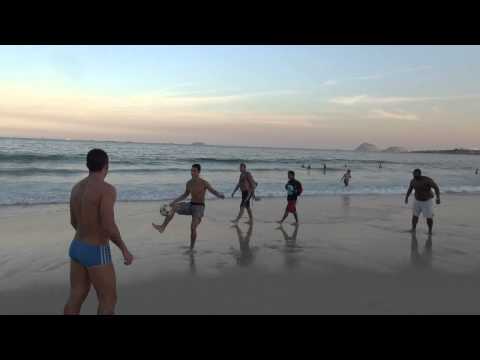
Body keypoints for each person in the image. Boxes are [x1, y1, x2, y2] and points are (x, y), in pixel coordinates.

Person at [64, 149, 134, 315]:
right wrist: (124, 249)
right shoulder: (106, 189)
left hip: (76, 247)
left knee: (76, 295)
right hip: (96, 251)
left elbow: (73, 221)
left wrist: (87, 234)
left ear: (87, 165)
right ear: (106, 165)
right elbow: (109, 225)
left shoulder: (76, 188)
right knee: (108, 299)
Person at [152, 164, 225, 250]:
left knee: (193, 227)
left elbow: (214, 191)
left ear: (198, 172)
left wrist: (220, 195)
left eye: (194, 171)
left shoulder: (204, 183)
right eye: (191, 170)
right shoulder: (189, 183)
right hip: (190, 205)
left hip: (199, 208)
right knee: (174, 207)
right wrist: (173, 202)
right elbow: (185, 195)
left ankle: (191, 248)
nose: (192, 172)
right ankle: (162, 227)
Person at [405, 168, 441, 235]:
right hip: (417, 200)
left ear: (420, 174)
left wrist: (438, 198)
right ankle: (413, 229)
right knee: (415, 216)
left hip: (427, 201)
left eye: (416, 175)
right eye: (413, 174)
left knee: (429, 217)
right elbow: (410, 189)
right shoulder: (413, 181)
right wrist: (406, 197)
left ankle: (430, 231)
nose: (414, 176)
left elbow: (436, 187)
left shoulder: (427, 180)